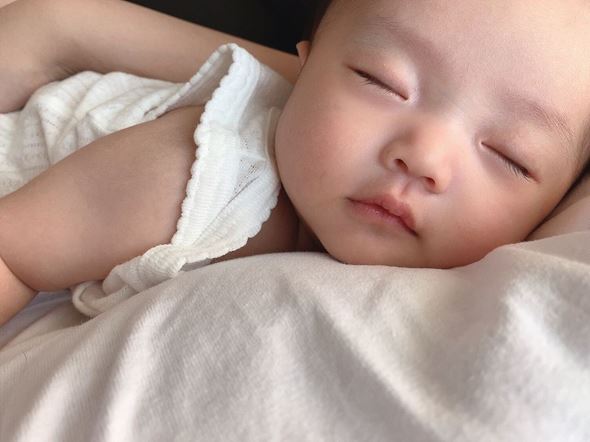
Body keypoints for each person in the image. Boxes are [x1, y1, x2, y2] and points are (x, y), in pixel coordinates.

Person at [0, 0, 589, 324]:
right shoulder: (199, 179)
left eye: (510, 156)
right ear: (299, 70)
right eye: (380, 81)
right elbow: (12, 252)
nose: (423, 156)